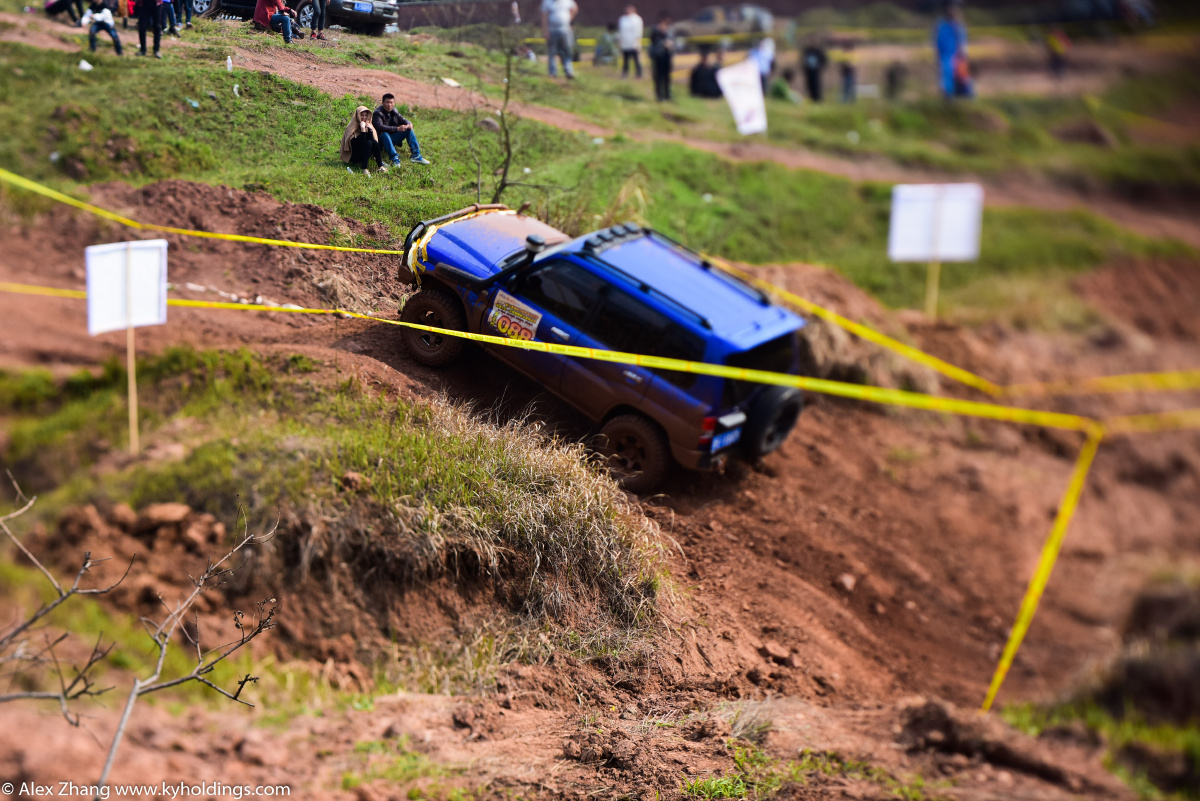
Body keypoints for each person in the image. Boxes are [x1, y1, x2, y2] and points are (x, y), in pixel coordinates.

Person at [373, 93, 431, 166]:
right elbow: (380, 127)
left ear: (394, 103)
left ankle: (416, 155)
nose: (389, 105)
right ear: (382, 103)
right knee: (385, 134)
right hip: (381, 141)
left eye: (391, 102)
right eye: (387, 102)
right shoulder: (377, 113)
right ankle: (395, 159)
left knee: (408, 129)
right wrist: (397, 129)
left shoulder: (394, 110)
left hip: (391, 138)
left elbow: (402, 119)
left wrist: (409, 123)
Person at [934, 1, 972, 99]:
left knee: (963, 79)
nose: (952, 11)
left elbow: (962, 43)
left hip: (957, 57)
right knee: (947, 80)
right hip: (945, 56)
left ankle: (964, 100)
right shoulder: (941, 25)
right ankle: (949, 99)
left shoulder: (958, 25)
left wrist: (963, 55)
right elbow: (938, 42)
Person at [341, 106, 387, 176]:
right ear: (357, 116)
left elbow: (372, 140)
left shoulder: (368, 125)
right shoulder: (351, 127)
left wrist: (370, 130)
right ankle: (364, 168)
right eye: (361, 115)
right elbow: (362, 143)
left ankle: (380, 166)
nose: (364, 117)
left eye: (366, 115)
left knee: (373, 142)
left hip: (365, 153)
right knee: (368, 143)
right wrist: (362, 129)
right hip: (354, 156)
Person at [540, 0, 577, 79]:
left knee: (567, 52)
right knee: (552, 52)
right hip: (552, 30)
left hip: (565, 30)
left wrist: (569, 19)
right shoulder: (547, 2)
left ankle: (569, 72)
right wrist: (545, 31)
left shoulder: (567, 1)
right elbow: (544, 17)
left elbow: (575, 8)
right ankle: (552, 73)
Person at [649, 11, 673, 101]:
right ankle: (659, 96)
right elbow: (653, 40)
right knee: (658, 77)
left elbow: (673, 40)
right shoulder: (655, 30)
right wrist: (661, 32)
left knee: (667, 77)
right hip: (658, 56)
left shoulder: (670, 30)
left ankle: (667, 95)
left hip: (667, 56)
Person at [617, 4, 643, 78]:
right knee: (625, 61)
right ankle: (625, 74)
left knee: (637, 60)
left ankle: (639, 74)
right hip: (625, 43)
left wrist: (637, 42)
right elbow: (621, 31)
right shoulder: (622, 19)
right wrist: (620, 41)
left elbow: (639, 32)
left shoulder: (637, 19)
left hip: (634, 43)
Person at [801, 37, 827, 102]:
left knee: (816, 86)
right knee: (809, 86)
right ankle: (811, 99)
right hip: (809, 72)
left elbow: (824, 60)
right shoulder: (807, 51)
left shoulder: (818, 51)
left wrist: (820, 66)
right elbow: (803, 60)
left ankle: (818, 100)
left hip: (816, 72)